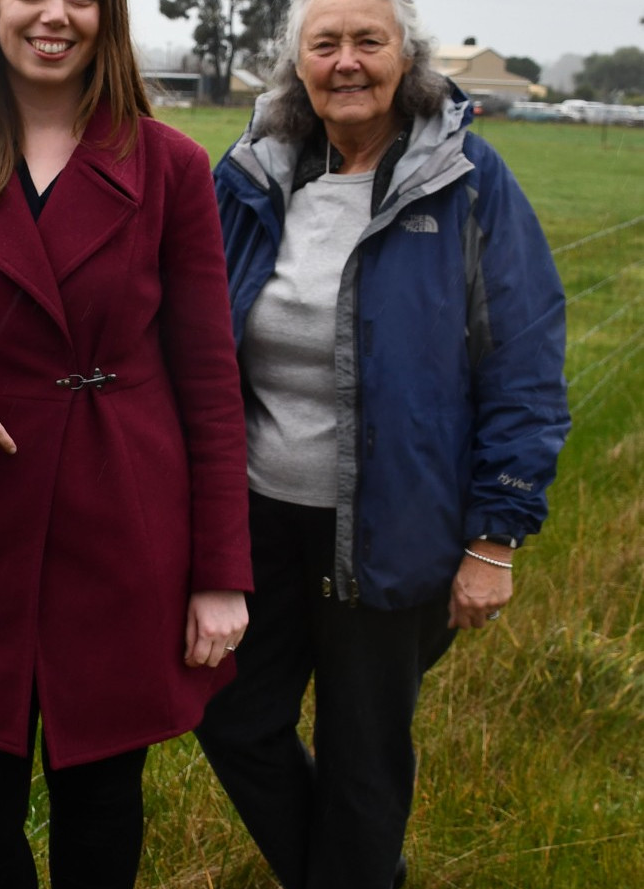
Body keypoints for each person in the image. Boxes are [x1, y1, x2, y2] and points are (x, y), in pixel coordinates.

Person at [0, 1, 252, 885]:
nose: (54, 15)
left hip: (119, 524)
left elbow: (210, 379)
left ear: (106, 16)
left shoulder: (170, 166)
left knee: (101, 818)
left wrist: (220, 570)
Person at [192, 1, 571, 887]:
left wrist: (494, 538)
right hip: (258, 520)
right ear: (298, 64)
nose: (346, 62)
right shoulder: (252, 172)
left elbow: (523, 358)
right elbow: (191, 327)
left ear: (408, 58)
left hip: (397, 522)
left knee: (364, 762)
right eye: (324, 44)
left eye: (369, 40)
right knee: (231, 715)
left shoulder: (466, 178)